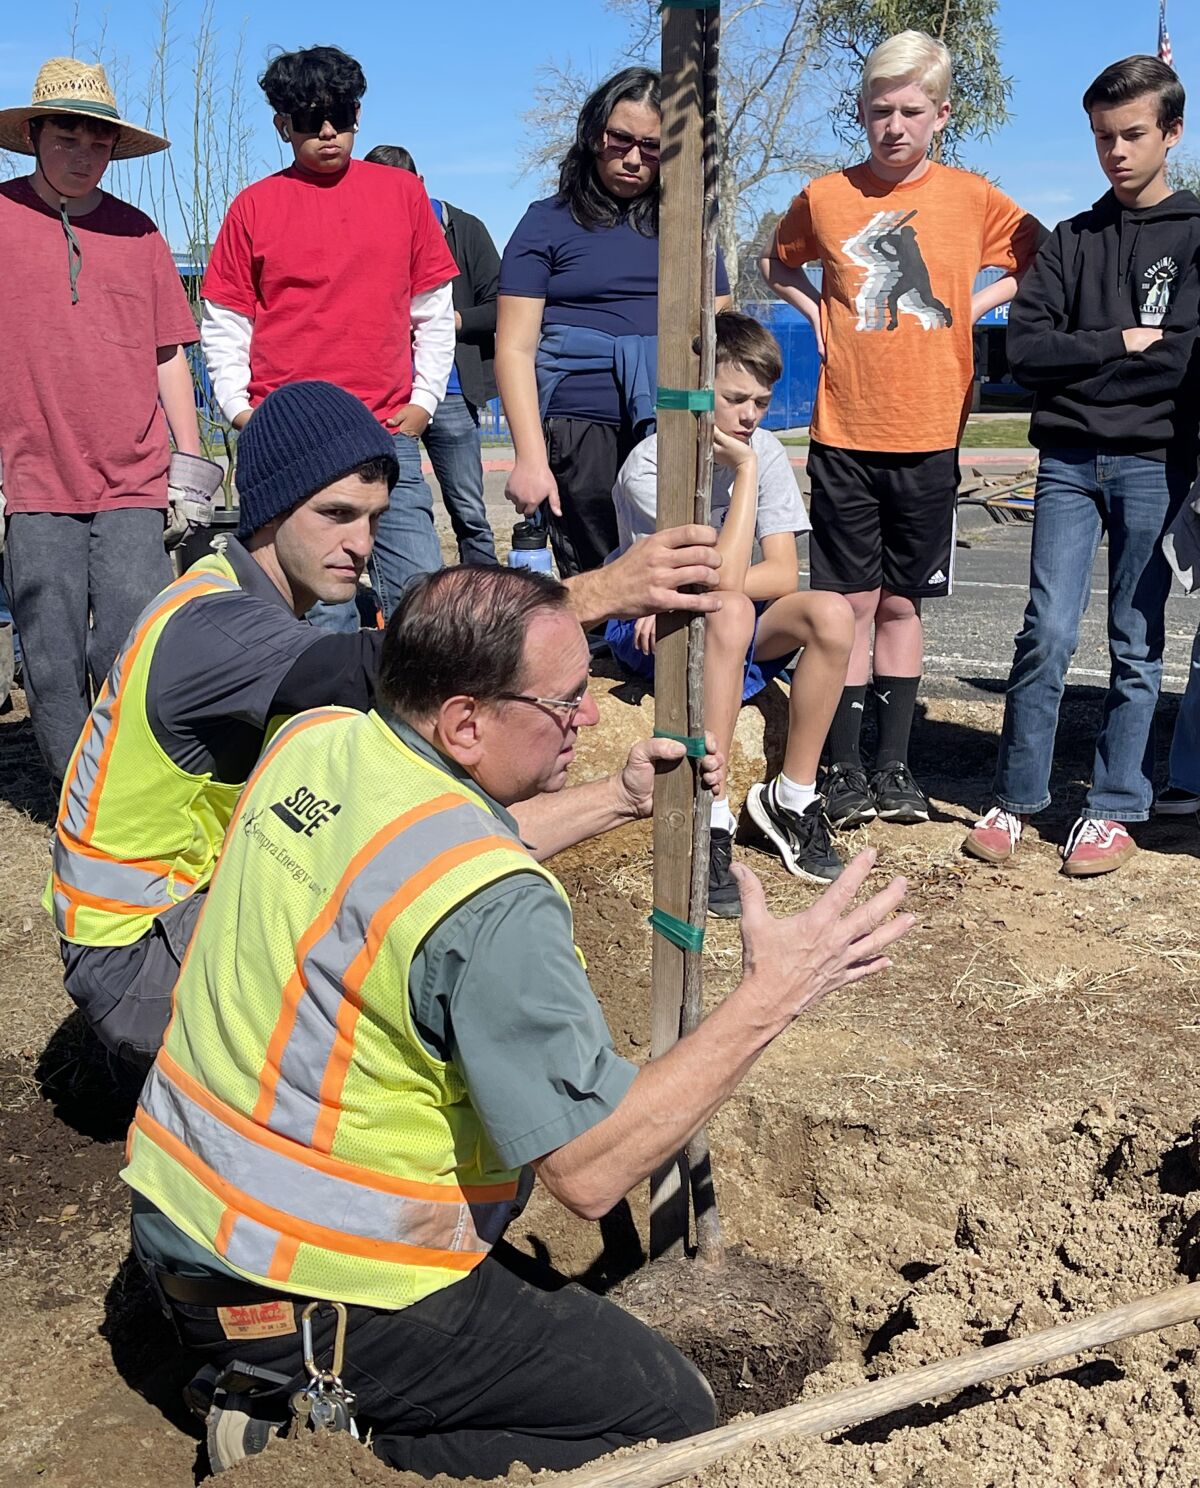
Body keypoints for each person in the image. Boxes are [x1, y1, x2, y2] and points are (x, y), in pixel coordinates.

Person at [120, 562, 912, 1479]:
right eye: (567, 702)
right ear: (464, 722)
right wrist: (772, 996)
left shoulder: (320, 741)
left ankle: (268, 1372)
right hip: (315, 1283)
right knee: (669, 1417)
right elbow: (593, 1170)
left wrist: (617, 799)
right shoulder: (497, 910)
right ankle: (302, 1434)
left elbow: (423, 848)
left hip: (181, 1216)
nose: (588, 717)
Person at [45, 380, 730, 1074]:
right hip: (135, 963)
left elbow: (435, 815)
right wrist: (600, 592)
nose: (360, 543)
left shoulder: (243, 605)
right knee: (394, 878)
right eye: (336, 514)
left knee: (399, 800)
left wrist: (622, 797)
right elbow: (393, 661)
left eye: (372, 518)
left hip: (165, 926)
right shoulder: (214, 624)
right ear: (272, 510)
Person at [760, 31, 1042, 829]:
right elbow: (776, 263)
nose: (893, 125)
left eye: (910, 111)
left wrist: (975, 311)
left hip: (929, 432)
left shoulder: (972, 196)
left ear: (941, 115)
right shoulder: (825, 196)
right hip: (846, 431)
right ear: (861, 112)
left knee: (901, 607)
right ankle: (840, 767)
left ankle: (894, 768)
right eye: (879, 110)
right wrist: (814, 310)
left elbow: (1038, 260)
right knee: (846, 606)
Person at [964, 55, 1200, 877]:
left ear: (1172, 132)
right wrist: (1121, 343)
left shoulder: (1196, 235)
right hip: (1065, 460)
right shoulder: (1070, 240)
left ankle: (1112, 806)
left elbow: (1186, 363)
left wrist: (1099, 359)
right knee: (1048, 630)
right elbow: (1024, 351)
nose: (1116, 152)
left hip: (1155, 462)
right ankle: (1017, 797)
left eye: (1133, 134)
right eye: (1103, 137)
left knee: (1137, 641)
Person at [0, 57, 218, 786]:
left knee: (134, 642)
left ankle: (126, 786)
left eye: (98, 141)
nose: (83, 153)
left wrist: (190, 467)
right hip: (31, 479)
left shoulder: (140, 234)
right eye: (67, 135)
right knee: (51, 656)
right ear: (34, 134)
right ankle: (72, 796)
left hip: (134, 478)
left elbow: (168, 356)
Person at [199, 46, 458, 629]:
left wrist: (423, 404)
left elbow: (433, 312)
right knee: (316, 617)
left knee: (422, 604)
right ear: (281, 124)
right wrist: (242, 411)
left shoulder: (403, 194)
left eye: (339, 115)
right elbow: (224, 318)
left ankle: (409, 721)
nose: (326, 131)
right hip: (290, 440)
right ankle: (316, 720)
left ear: (358, 114)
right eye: (308, 119)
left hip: (388, 430)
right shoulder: (253, 206)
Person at [606, 312, 854, 911]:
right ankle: (709, 819)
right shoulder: (650, 465)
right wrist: (742, 476)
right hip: (651, 621)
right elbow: (716, 581)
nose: (750, 416)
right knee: (733, 608)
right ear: (698, 387)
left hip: (729, 619)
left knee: (832, 614)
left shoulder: (762, 451)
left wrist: (746, 468)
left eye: (762, 403)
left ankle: (791, 799)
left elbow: (781, 571)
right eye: (735, 399)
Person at [497, 67, 731, 582]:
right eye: (620, 138)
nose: (633, 158)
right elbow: (514, 348)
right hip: (579, 425)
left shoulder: (690, 223)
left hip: (672, 417)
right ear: (593, 134)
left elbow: (719, 326)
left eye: (651, 146)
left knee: (679, 570)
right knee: (598, 585)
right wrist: (530, 458)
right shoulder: (546, 221)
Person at [366, 144, 501, 565]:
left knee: (469, 510)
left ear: (420, 185)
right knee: (392, 507)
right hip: (387, 396)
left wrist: (447, 321)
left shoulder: (465, 229)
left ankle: (483, 595)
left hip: (452, 392)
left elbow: (502, 305)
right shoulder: (363, 231)